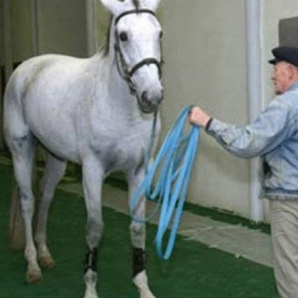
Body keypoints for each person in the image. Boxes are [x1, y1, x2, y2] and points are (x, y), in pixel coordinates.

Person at [189, 46, 298, 298]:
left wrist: (208, 122)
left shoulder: (285, 106)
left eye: (276, 70)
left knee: (291, 275)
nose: (272, 76)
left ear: (291, 72)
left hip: (290, 201)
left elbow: (247, 143)